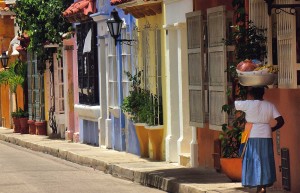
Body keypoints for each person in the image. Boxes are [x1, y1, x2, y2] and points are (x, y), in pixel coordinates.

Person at [235, 87, 285, 193]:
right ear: (263, 93)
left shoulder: (248, 104)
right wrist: (272, 128)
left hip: (252, 134)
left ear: (252, 94)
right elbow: (281, 121)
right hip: (266, 134)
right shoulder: (270, 105)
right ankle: (262, 186)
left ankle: (259, 185)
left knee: (254, 159)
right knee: (265, 159)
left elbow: (233, 103)